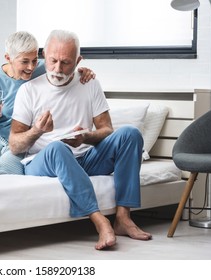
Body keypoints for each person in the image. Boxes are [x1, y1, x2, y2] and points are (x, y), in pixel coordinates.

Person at [9, 29, 152, 250]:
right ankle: (100, 220)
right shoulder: (28, 90)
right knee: (58, 148)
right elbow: (14, 144)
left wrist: (86, 136)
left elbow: (106, 129)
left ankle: (123, 217)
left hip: (84, 158)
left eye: (66, 63)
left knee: (130, 134)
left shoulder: (89, 84)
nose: (58, 69)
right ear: (44, 55)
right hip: (42, 160)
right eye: (53, 60)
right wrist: (36, 130)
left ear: (78, 61)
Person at [0, 31, 95, 141]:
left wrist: (83, 72)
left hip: (26, 140)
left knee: (5, 161)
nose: (31, 67)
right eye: (25, 61)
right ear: (8, 58)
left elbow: (66, 71)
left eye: (34, 60)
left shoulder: (44, 68)